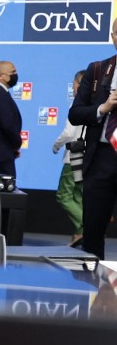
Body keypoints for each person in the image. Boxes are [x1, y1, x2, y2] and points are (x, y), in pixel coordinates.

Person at [69, 17, 117, 260]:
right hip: (101, 157)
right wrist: (103, 108)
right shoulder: (97, 69)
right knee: (93, 232)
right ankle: (91, 291)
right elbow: (75, 114)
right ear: (112, 37)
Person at [52, 70, 86, 248]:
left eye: (73, 83)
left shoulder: (78, 103)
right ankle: (79, 232)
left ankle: (87, 226)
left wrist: (56, 145)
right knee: (79, 196)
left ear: (80, 85)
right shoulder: (94, 102)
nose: (72, 87)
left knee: (64, 196)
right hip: (87, 156)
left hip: (73, 157)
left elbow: (69, 132)